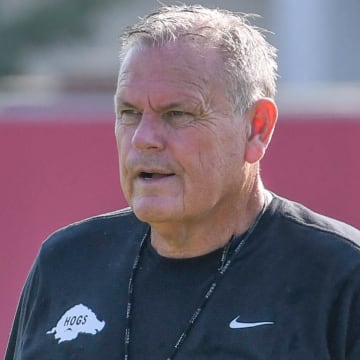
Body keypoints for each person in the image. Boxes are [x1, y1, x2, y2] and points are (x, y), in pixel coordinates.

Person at [5, 4, 360, 360]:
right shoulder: (66, 262)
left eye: (177, 114)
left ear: (257, 128)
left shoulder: (341, 276)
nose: (144, 138)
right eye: (128, 113)